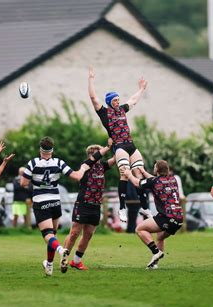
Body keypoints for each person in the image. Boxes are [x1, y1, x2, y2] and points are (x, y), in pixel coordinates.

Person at [20, 136, 91, 276]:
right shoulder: (59, 162)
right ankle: (49, 265)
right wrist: (83, 168)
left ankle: (61, 250)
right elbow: (77, 176)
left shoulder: (33, 162)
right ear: (52, 149)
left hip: (41, 201)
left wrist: (35, 181)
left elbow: (23, 183)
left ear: (40, 149)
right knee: (53, 235)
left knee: (47, 235)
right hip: (55, 202)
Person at [88, 66, 150, 223]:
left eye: (118, 99)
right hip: (119, 146)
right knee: (124, 173)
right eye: (115, 100)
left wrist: (141, 89)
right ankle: (122, 208)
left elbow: (133, 100)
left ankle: (144, 206)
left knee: (140, 173)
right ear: (109, 102)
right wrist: (91, 80)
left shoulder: (122, 110)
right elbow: (94, 98)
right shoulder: (104, 113)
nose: (118, 101)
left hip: (131, 144)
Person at [62, 142, 114, 272]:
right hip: (83, 204)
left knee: (88, 234)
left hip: (96, 206)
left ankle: (77, 261)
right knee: (74, 233)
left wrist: (121, 146)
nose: (97, 155)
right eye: (94, 153)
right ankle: (64, 258)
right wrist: (105, 148)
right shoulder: (85, 166)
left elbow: (115, 159)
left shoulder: (102, 166)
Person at [122, 160, 183, 269]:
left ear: (157, 169)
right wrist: (144, 172)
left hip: (167, 217)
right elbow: (155, 180)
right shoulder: (172, 179)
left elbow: (137, 183)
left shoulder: (155, 181)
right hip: (179, 218)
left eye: (155, 167)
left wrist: (129, 174)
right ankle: (154, 264)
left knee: (139, 229)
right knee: (159, 237)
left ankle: (156, 252)